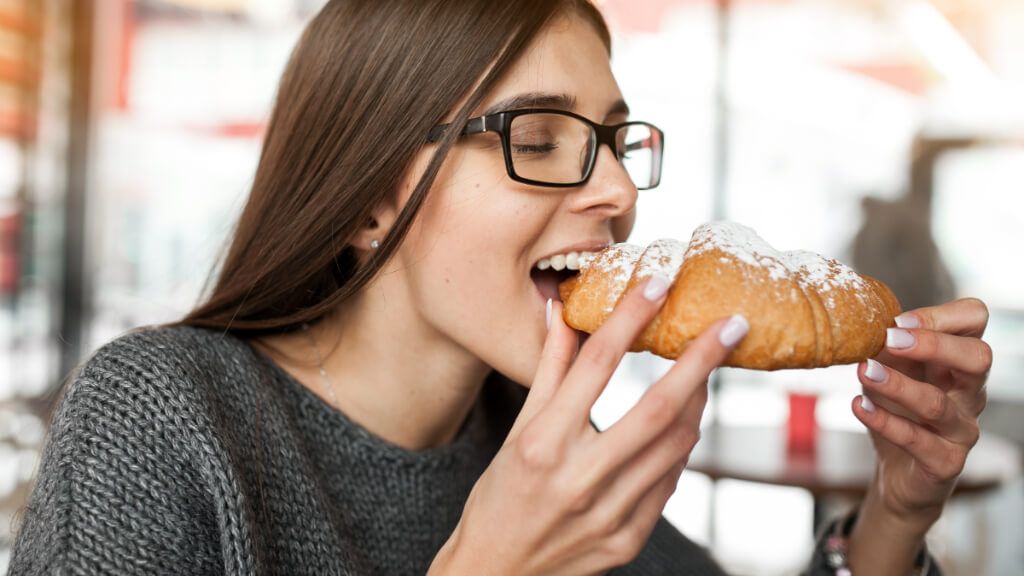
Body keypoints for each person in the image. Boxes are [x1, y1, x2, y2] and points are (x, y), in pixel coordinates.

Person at [10, 1, 992, 574]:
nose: (612, 191)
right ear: (366, 201)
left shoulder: (547, 446)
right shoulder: (163, 412)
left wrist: (893, 517)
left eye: (613, 139)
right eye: (539, 137)